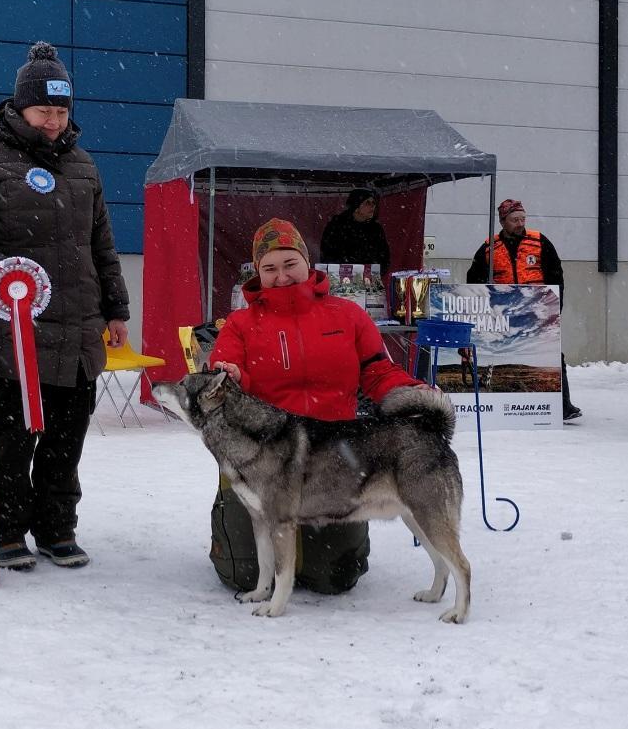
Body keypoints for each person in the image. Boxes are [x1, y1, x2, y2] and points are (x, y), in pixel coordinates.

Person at [0, 40, 130, 570]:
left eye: (62, 110)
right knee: (13, 437)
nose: (53, 121)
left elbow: (102, 247)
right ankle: (4, 530)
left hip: (77, 334)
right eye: (44, 110)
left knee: (64, 441)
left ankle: (56, 528)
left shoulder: (83, 165)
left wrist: (116, 311)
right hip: (13, 334)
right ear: (19, 107)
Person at [208, 217, 426, 596]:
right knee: (242, 574)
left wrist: (414, 394)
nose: (282, 276)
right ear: (257, 272)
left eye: (289, 264)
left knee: (335, 576)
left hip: (334, 455)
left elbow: (376, 372)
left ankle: (317, 549)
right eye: (269, 268)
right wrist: (230, 376)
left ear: (308, 263)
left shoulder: (347, 315)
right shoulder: (240, 324)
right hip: (264, 457)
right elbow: (229, 374)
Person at [466, 198, 581, 422]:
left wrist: (555, 306)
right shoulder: (489, 247)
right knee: (502, 355)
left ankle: (563, 405)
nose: (520, 223)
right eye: (514, 219)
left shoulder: (539, 242)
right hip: (502, 312)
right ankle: (503, 404)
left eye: (522, 219)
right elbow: (474, 279)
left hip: (537, 310)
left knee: (551, 356)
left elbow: (556, 275)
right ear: (502, 221)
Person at [319, 187, 391, 271]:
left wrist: (373, 271)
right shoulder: (337, 226)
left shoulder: (375, 229)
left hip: (368, 279)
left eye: (373, 203)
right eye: (367, 203)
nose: (372, 206)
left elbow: (384, 257)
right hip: (341, 278)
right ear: (356, 206)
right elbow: (328, 254)